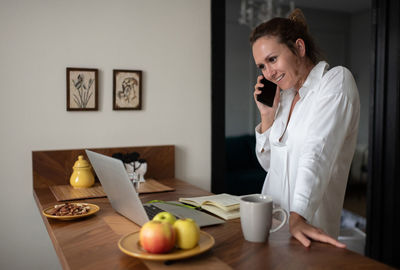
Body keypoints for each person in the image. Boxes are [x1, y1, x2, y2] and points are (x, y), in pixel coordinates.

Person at [250, 8, 360, 248]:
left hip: (306, 230)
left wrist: (298, 218)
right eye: (262, 66)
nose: (269, 73)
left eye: (272, 59)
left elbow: (317, 153)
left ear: (299, 48)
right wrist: (267, 116)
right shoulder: (285, 97)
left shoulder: (335, 82)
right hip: (270, 225)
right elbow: (270, 165)